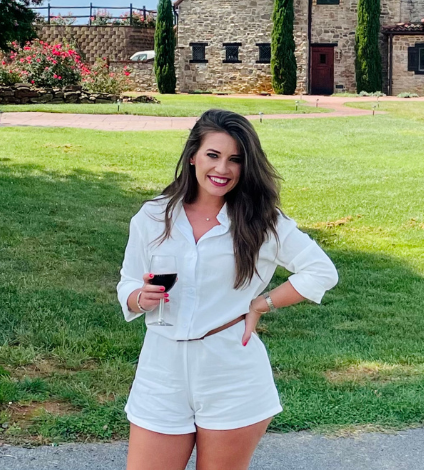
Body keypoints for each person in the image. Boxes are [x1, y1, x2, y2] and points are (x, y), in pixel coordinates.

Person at [117, 109, 338, 470]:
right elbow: (128, 279)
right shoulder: (154, 216)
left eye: (235, 160)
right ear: (193, 156)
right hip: (161, 370)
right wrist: (138, 298)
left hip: (230, 372)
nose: (223, 169)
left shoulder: (262, 222)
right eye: (213, 155)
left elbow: (320, 271)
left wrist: (262, 304)